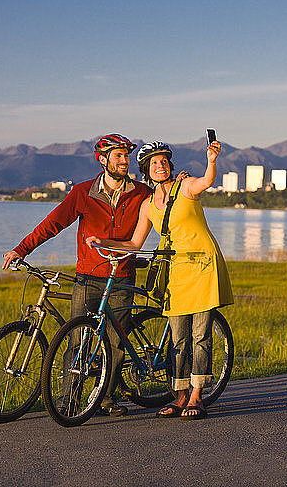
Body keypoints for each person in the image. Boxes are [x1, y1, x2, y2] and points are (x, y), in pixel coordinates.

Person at [3, 133, 152, 417]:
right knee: (77, 339)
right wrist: (21, 250)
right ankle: (69, 401)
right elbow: (53, 224)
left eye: (126, 155)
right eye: (118, 156)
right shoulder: (83, 192)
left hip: (121, 276)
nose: (124, 161)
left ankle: (106, 398)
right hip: (87, 276)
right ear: (103, 160)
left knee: (115, 341)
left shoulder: (141, 193)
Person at [86, 139, 234, 419]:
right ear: (146, 170)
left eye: (164, 160)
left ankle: (196, 397)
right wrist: (102, 241)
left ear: (170, 165)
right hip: (175, 270)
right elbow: (133, 242)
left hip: (202, 265)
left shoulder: (186, 187)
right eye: (154, 162)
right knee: (178, 337)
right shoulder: (148, 205)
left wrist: (212, 160)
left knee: (200, 335)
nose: (160, 165)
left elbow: (207, 181)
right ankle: (179, 397)